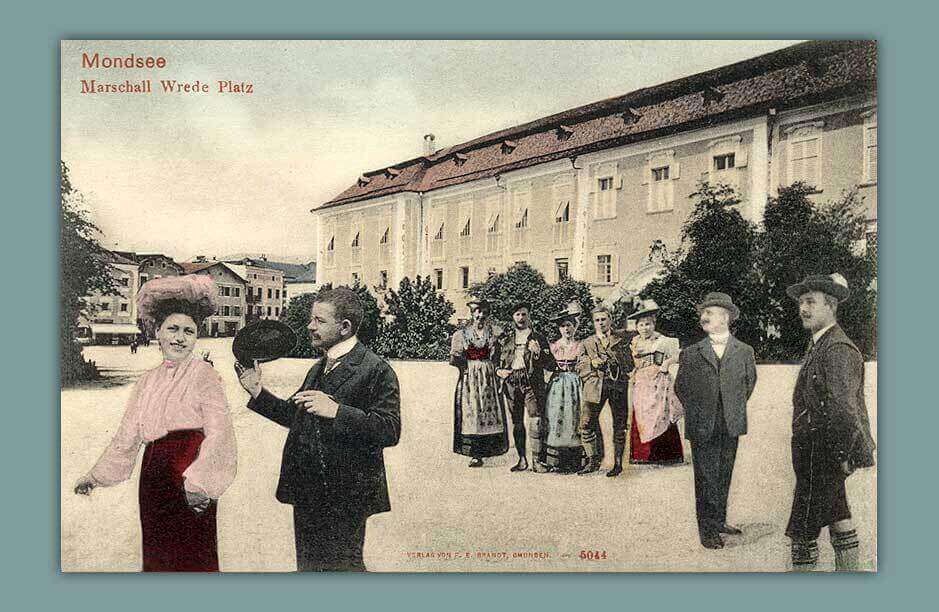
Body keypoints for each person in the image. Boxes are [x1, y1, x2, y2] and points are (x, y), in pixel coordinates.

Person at [73, 275, 237, 572]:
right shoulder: (148, 380)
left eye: (189, 331)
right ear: (157, 331)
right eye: (172, 328)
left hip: (190, 472)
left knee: (192, 557)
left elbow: (220, 431)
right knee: (158, 554)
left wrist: (201, 482)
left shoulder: (205, 375)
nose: (180, 337)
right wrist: (95, 476)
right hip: (154, 474)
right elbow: (127, 435)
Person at [236, 287, 401, 572]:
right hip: (308, 490)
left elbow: (390, 429)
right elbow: (296, 416)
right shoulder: (318, 367)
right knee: (309, 569)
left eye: (319, 320)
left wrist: (337, 411)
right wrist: (257, 392)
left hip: (346, 495)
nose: (310, 326)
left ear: (345, 327)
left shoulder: (376, 369)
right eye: (312, 319)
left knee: (343, 570)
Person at [784, 274, 875, 571]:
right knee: (838, 515)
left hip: (822, 452)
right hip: (817, 450)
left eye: (811, 301)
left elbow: (844, 410)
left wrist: (841, 456)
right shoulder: (821, 343)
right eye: (801, 302)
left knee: (803, 530)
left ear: (831, 305)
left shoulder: (836, 348)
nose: (803, 308)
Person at [674, 292, 756, 549]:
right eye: (703, 313)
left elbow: (749, 384)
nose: (703, 317)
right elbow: (681, 387)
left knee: (724, 473)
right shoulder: (691, 352)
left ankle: (719, 520)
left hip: (731, 421)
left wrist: (732, 406)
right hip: (702, 423)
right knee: (706, 476)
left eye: (709, 312)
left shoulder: (744, 351)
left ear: (726, 316)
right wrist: (699, 410)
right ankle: (707, 531)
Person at [496, 302, 556, 473]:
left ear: (529, 316)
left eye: (523, 314)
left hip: (531, 381)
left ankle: (537, 461)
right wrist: (499, 370)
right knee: (516, 421)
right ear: (512, 318)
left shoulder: (539, 338)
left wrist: (537, 353)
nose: (521, 318)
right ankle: (522, 460)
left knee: (536, 420)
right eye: (517, 315)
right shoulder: (506, 340)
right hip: (511, 381)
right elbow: (495, 360)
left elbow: (551, 364)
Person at [576, 305, 635, 477]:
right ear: (593, 323)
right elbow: (579, 365)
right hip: (594, 385)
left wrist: (616, 360)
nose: (601, 323)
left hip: (617, 385)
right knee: (586, 423)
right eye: (597, 320)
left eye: (603, 319)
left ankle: (617, 463)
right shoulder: (586, 343)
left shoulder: (621, 340)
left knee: (620, 424)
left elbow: (630, 364)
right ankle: (592, 460)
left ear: (610, 320)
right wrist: (591, 363)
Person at [449, 299, 509, 467]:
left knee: (487, 410)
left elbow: (505, 351)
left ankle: (489, 449)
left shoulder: (494, 332)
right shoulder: (462, 334)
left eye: (484, 313)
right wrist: (465, 367)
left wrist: (498, 368)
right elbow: (455, 357)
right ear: (472, 314)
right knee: (473, 410)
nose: (481, 316)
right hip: (470, 375)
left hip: (489, 375)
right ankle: (475, 454)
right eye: (477, 312)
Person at [626, 300, 684, 465]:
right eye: (642, 325)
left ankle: (666, 455)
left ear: (654, 324)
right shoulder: (634, 342)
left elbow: (679, 355)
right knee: (642, 412)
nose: (646, 328)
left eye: (649, 324)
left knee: (661, 412)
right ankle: (643, 454)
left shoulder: (663, 340)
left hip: (659, 380)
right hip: (641, 382)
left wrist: (666, 363)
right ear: (637, 326)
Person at [543, 311, 586, 473]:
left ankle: (575, 460)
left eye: (569, 325)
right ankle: (556, 461)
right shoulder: (553, 346)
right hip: (558, 384)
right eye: (563, 326)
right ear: (559, 329)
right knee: (556, 417)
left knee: (574, 417)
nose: (566, 329)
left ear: (575, 327)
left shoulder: (581, 346)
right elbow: (546, 365)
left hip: (575, 383)